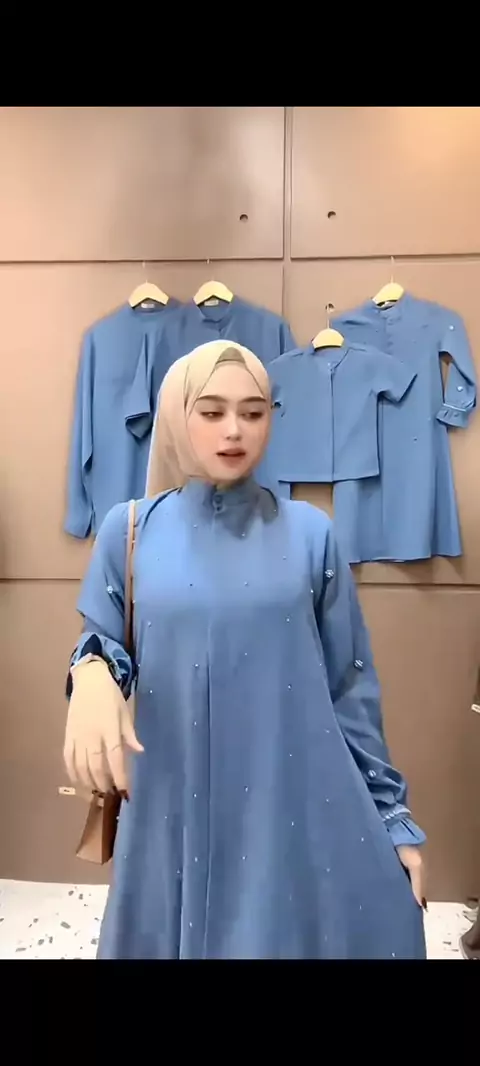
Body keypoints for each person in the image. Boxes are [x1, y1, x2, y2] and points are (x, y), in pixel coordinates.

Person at [63, 339, 427, 960]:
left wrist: (392, 819)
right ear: (177, 416)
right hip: (174, 800)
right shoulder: (129, 531)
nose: (234, 430)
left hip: (289, 798)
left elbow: (350, 687)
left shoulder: (311, 533)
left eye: (253, 412)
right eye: (212, 412)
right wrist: (92, 671)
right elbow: (102, 639)